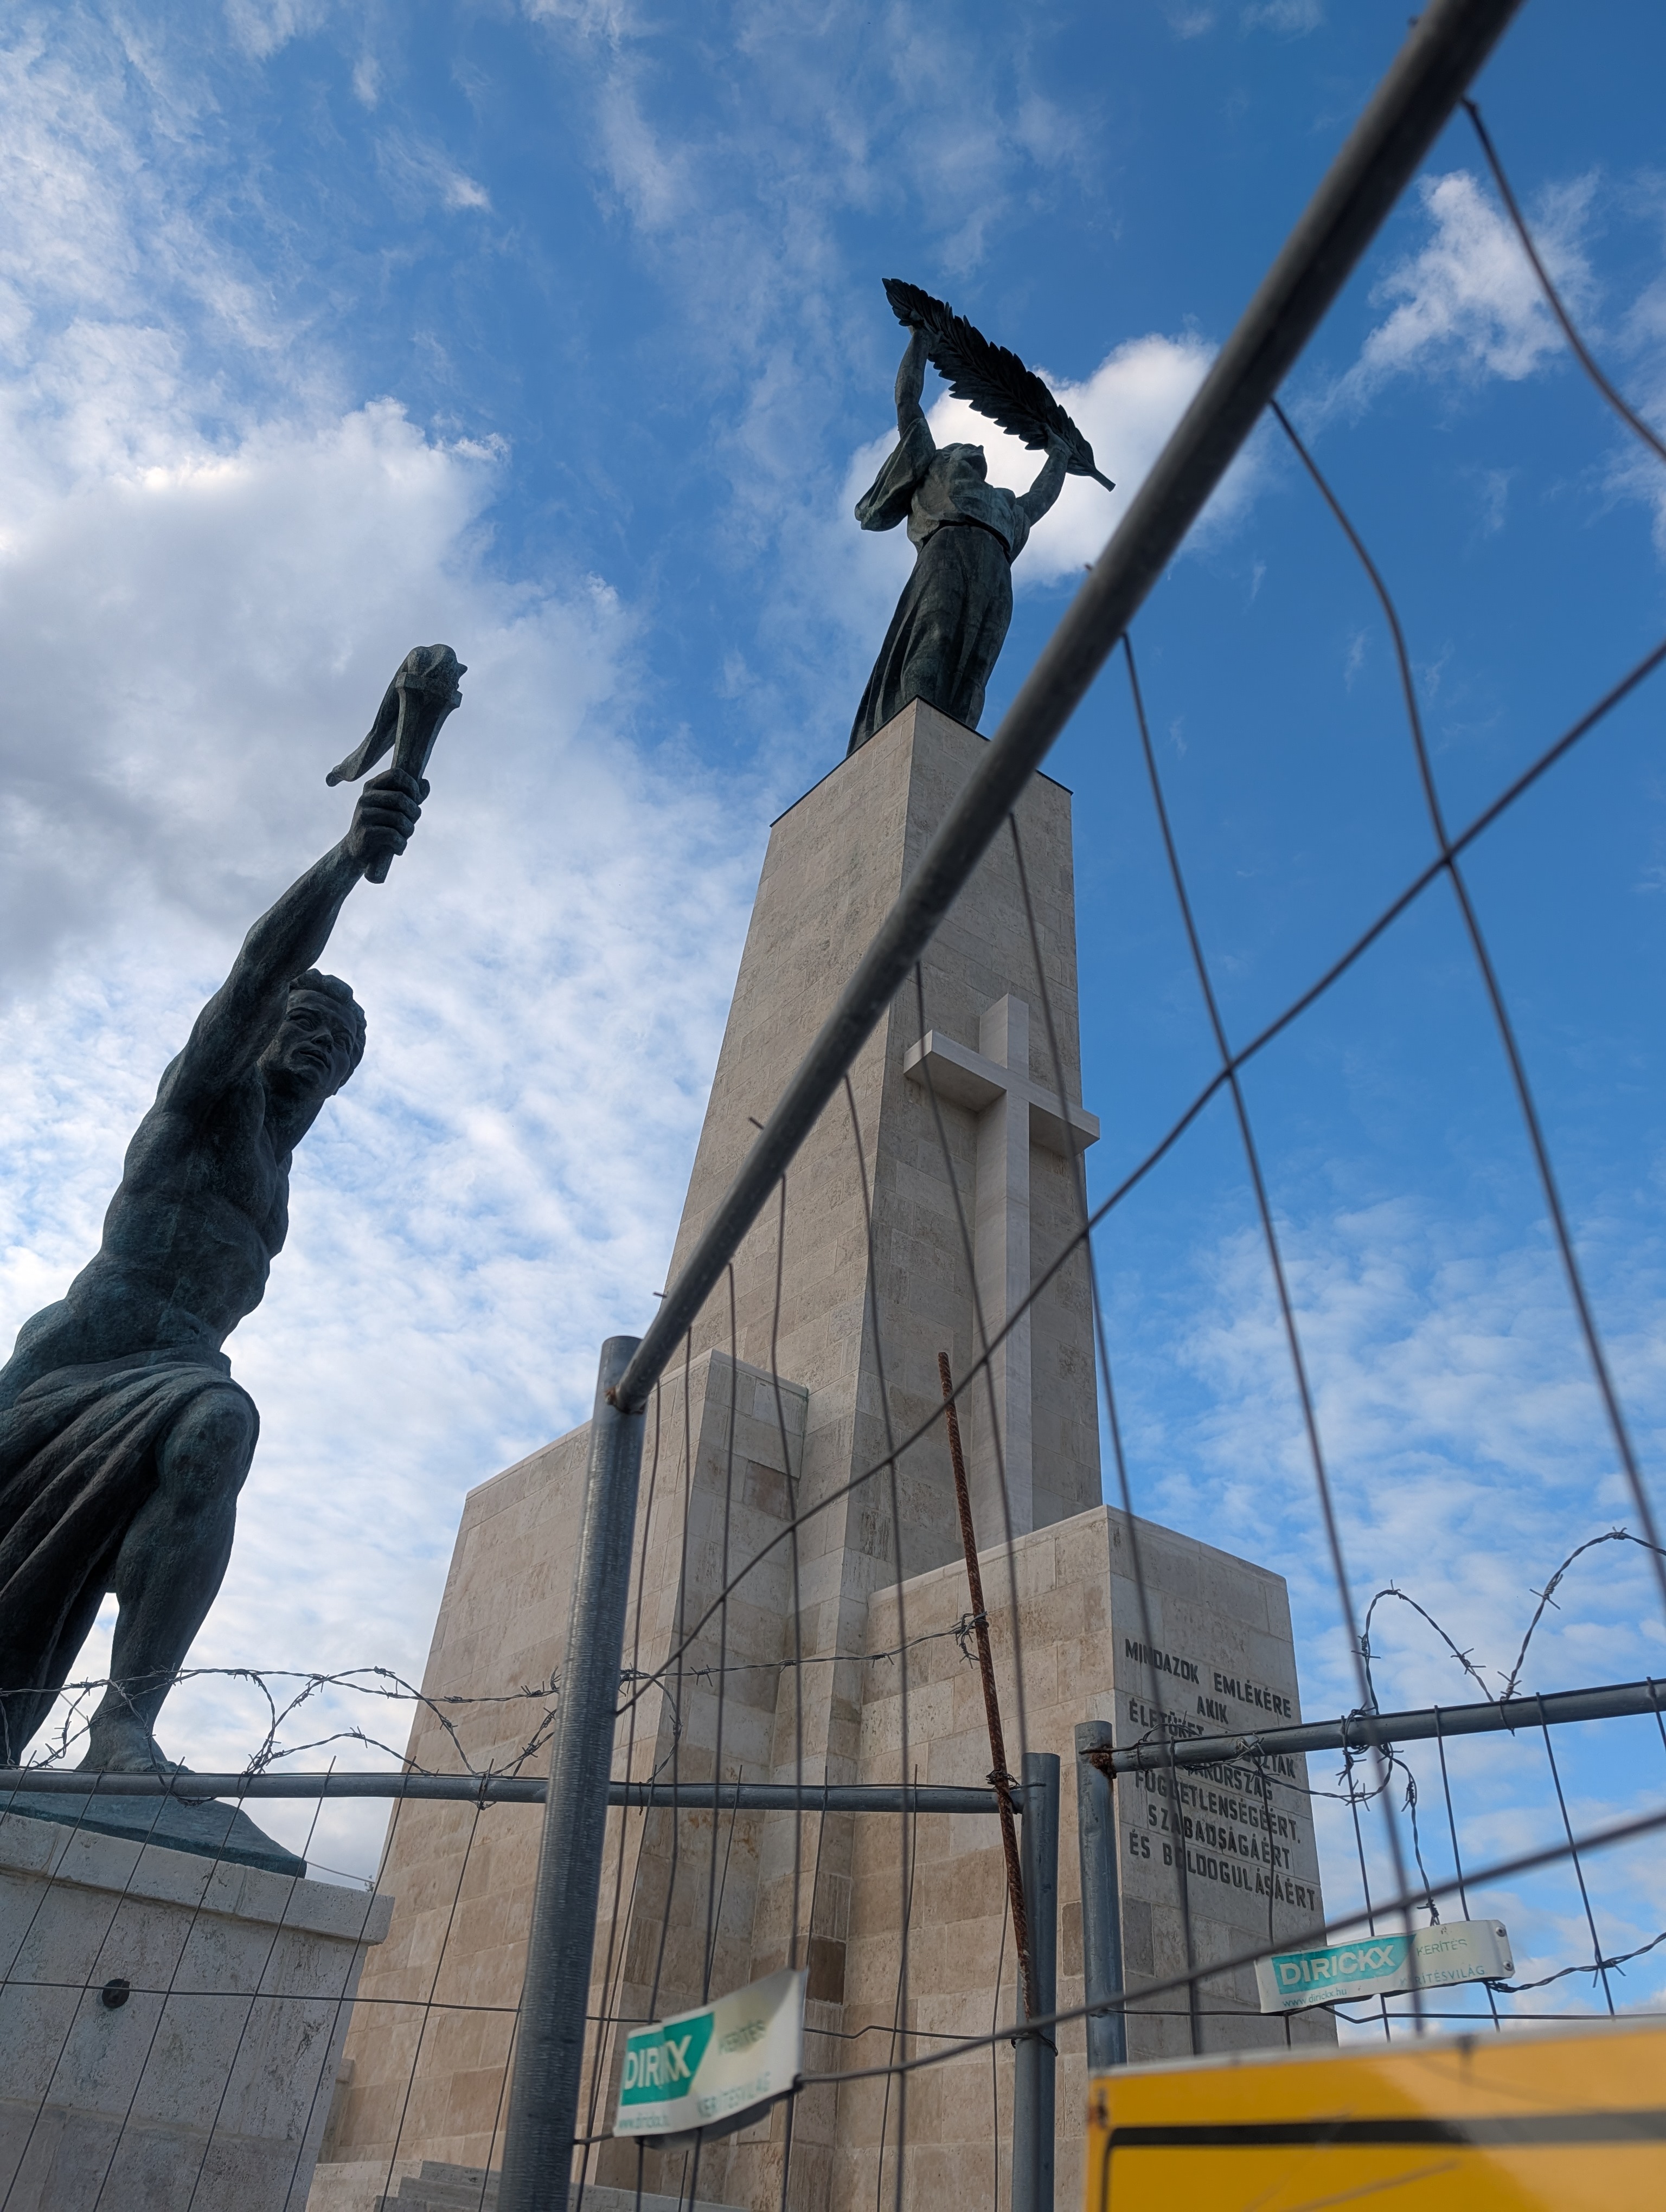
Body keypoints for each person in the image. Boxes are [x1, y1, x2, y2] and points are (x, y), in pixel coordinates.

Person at [0, 762, 427, 1771]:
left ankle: (124, 1727)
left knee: (215, 1427)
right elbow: (257, 971)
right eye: (308, 1026)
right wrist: (347, 859)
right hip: (75, 1369)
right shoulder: (205, 1103)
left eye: (341, 1048)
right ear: (266, 1031)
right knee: (214, 1421)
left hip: (181, 1376)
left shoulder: (276, 1175)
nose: (321, 1050)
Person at [849, 324, 1071, 754]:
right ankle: (910, 732)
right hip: (947, 550)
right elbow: (907, 402)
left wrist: (1059, 456)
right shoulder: (933, 466)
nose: (976, 448)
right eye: (963, 445)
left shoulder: (1005, 504)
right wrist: (920, 340)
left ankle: (951, 750)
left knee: (976, 666)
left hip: (997, 570)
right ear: (946, 454)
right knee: (935, 639)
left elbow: (1039, 500)